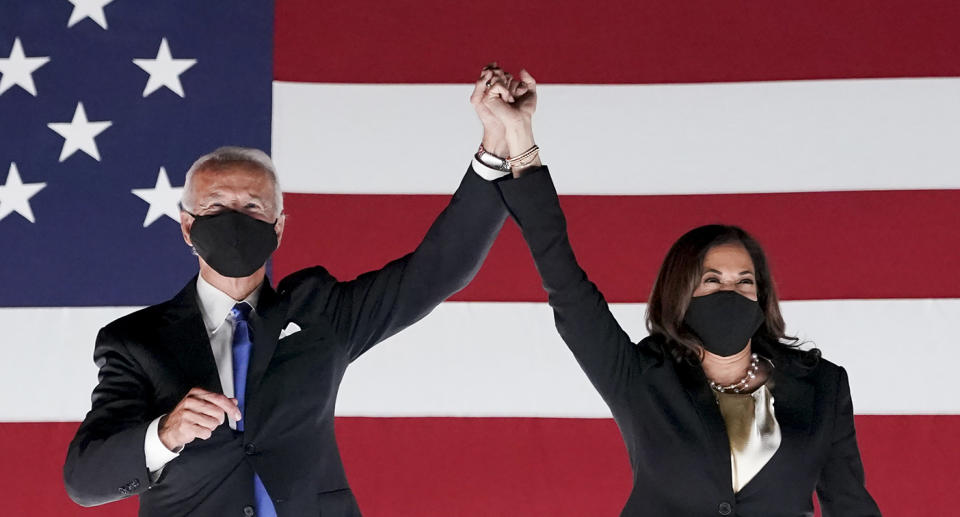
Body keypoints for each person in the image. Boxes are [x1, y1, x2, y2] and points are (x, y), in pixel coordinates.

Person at [63, 65, 520, 516]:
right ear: (187, 226)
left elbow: (440, 269)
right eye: (216, 206)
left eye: (252, 207)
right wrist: (164, 434)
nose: (234, 219)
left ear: (279, 227)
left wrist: (496, 149)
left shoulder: (320, 312)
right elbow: (84, 480)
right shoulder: (136, 341)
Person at [480, 68, 882, 515]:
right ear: (681, 293)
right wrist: (520, 137)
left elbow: (851, 504)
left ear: (762, 296)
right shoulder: (640, 379)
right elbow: (567, 288)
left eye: (744, 281)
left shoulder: (822, 386)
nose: (730, 290)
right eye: (711, 280)